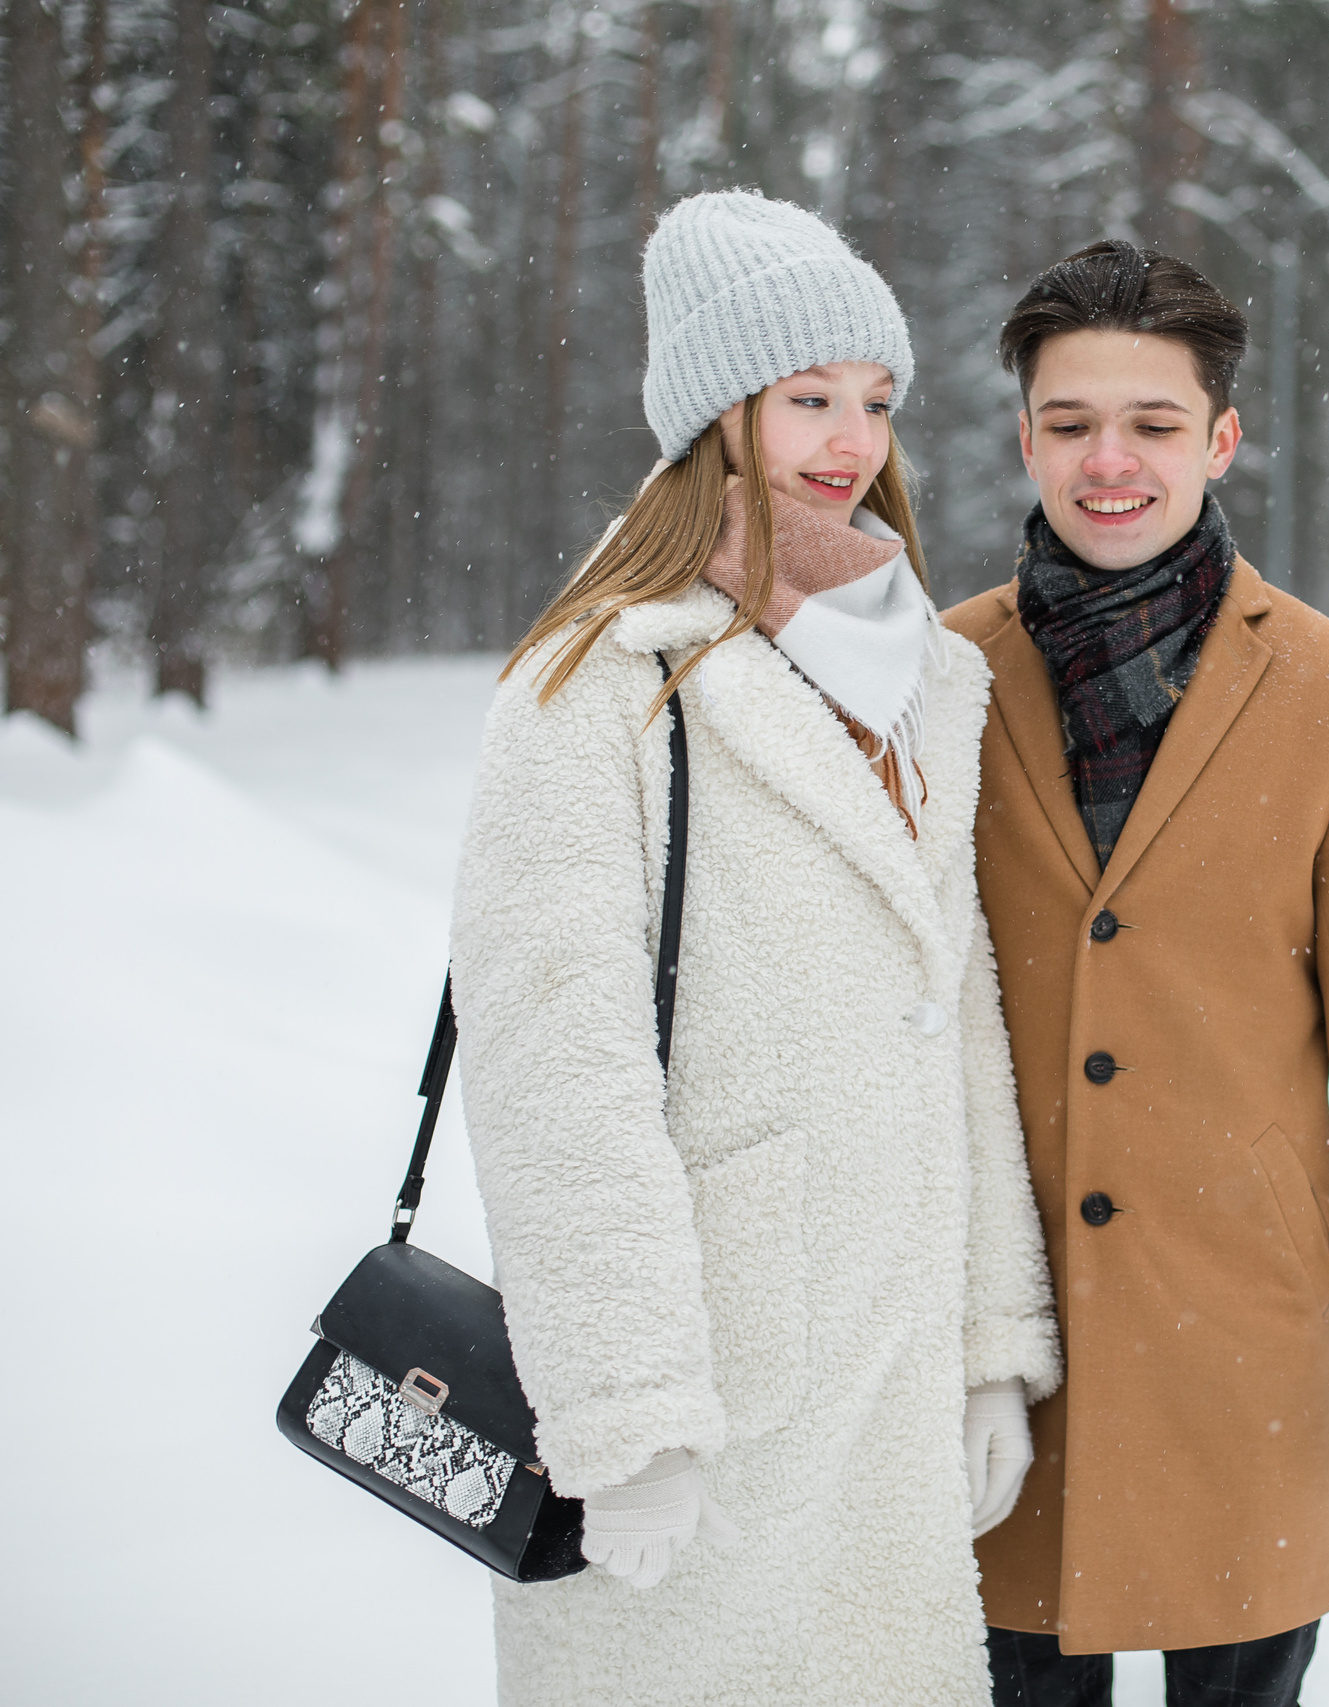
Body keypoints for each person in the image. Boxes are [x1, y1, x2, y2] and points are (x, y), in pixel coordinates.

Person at [448, 190, 1061, 1706]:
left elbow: (958, 1011)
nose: (851, 440)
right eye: (808, 399)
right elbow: (553, 1066)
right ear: (716, 415)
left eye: (875, 400)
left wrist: (991, 1340)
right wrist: (626, 1407)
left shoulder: (924, 677)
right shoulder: (595, 683)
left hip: (890, 1371)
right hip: (712, 1386)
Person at [945, 240, 1329, 1707]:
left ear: (1221, 438)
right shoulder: (938, 676)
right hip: (1003, 1335)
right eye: (1072, 422)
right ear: (1024, 438)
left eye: (1153, 423)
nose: (1109, 462)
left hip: (1236, 1326)